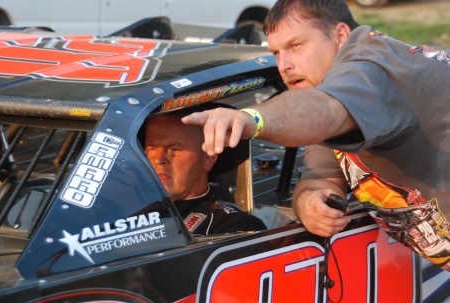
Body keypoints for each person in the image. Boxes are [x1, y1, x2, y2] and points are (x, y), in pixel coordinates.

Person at [182, 0, 450, 270]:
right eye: (276, 53)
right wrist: (310, 202)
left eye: (296, 46)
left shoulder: (370, 69)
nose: (283, 65)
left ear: (341, 36)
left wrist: (252, 118)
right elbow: (321, 173)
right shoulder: (337, 90)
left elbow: (325, 110)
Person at [144, 110, 267, 235]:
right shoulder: (127, 213)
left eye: (174, 149)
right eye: (152, 148)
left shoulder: (232, 225)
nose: (158, 159)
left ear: (207, 159)